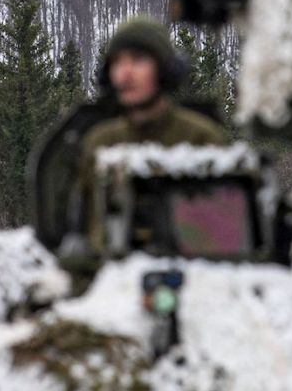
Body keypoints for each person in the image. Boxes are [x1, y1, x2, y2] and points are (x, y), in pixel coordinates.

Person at [73, 15, 227, 249]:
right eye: (117, 62)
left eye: (137, 60)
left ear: (164, 70)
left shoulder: (202, 137)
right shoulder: (100, 141)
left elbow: (222, 229)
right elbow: (85, 225)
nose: (125, 73)